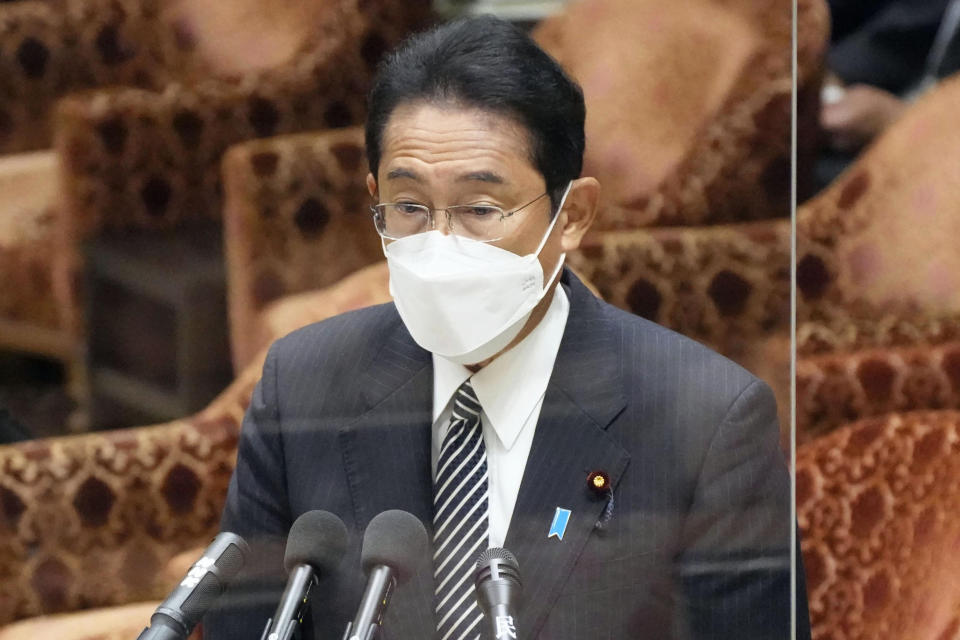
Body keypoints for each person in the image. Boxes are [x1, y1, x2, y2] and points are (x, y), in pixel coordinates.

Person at [205, 15, 806, 640]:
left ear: (571, 215)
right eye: (409, 207)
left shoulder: (706, 421)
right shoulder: (303, 385)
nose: (438, 242)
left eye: (480, 209)